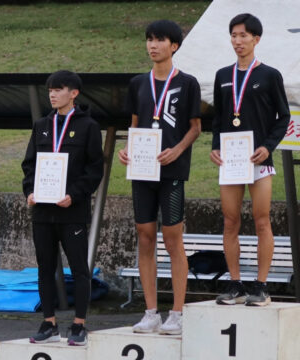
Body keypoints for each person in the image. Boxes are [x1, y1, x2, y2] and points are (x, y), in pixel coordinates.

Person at [118, 19, 201, 335]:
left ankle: (177, 313)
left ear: (174, 46)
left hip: (173, 171)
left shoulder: (188, 83)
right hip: (143, 169)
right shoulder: (138, 83)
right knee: (144, 233)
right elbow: (136, 123)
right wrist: (128, 148)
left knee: (172, 237)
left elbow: (195, 127)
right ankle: (150, 311)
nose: (153, 45)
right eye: (149, 39)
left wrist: (177, 150)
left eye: (160, 40)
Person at [210, 13, 290, 307]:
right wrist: (215, 146)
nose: (238, 41)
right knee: (230, 221)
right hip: (230, 160)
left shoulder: (269, 75)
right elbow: (218, 118)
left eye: (243, 35)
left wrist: (268, 147)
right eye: (234, 35)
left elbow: (284, 118)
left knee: (261, 221)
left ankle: (261, 285)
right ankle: (235, 284)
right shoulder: (222, 76)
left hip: (258, 159)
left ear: (256, 39)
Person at [22, 70, 104, 346]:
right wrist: (30, 191)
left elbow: (95, 169)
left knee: (79, 268)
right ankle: (49, 322)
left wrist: (74, 195)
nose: (53, 94)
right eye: (50, 90)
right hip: (43, 212)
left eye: (58, 89)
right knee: (45, 268)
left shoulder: (88, 126)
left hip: (72, 211)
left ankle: (79, 324)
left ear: (74, 93)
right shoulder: (41, 125)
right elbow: (29, 165)